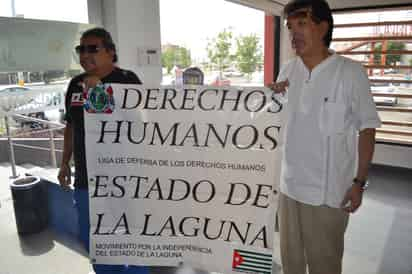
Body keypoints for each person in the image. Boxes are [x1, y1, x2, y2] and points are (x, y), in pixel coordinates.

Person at [269, 1, 381, 274]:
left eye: (302, 24)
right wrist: (270, 96)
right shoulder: (287, 70)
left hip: (328, 193)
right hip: (288, 187)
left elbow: (367, 129)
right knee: (290, 263)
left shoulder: (350, 73)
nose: (294, 34)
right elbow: (275, 121)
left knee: (325, 265)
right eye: (290, 27)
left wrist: (359, 182)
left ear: (323, 27)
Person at [57, 27, 149, 274]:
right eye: (81, 49)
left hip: (125, 178)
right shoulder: (75, 84)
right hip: (86, 179)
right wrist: (64, 162)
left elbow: (139, 123)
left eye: (92, 49)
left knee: (132, 237)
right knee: (96, 242)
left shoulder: (128, 80)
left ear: (110, 52)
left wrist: (100, 92)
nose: (85, 55)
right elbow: (71, 126)